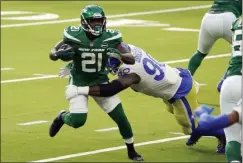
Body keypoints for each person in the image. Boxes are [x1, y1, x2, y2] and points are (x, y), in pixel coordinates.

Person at [60, 43, 226, 153]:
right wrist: (75, 66)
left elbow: (111, 89)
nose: (106, 63)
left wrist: (80, 89)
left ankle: (220, 133)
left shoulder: (131, 73)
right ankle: (198, 121)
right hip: (174, 76)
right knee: (173, 111)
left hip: (179, 90)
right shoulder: (127, 48)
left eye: (109, 61)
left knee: (189, 127)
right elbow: (110, 49)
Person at [48, 4, 143, 161]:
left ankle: (131, 150)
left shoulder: (111, 38)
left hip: (100, 81)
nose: (97, 24)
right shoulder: (73, 35)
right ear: (85, 22)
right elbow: (52, 52)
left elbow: (131, 59)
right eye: (93, 21)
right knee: (78, 121)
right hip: (78, 81)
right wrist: (58, 54)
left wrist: (119, 55)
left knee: (120, 117)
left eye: (99, 21)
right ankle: (62, 117)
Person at [187, 0, 242, 77]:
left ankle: (185, 80)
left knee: (200, 53)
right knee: (239, 50)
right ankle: (225, 81)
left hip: (209, 18)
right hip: (228, 18)